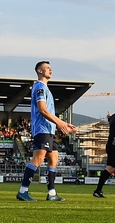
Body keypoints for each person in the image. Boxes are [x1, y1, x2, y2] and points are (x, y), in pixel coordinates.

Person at [16, 61, 77, 202]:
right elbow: (42, 109)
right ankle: (23, 191)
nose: (51, 70)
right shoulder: (39, 87)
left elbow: (48, 111)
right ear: (39, 71)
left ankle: (52, 193)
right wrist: (60, 122)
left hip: (50, 130)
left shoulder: (46, 89)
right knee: (38, 159)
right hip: (42, 129)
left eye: (51, 68)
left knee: (53, 160)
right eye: (47, 68)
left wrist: (64, 124)